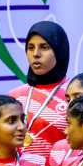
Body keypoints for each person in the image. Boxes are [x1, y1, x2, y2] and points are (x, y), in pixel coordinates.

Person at [11, 20, 71, 158]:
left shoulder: (74, 93)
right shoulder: (15, 95)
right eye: (31, 47)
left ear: (59, 51)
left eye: (44, 47)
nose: (36, 54)